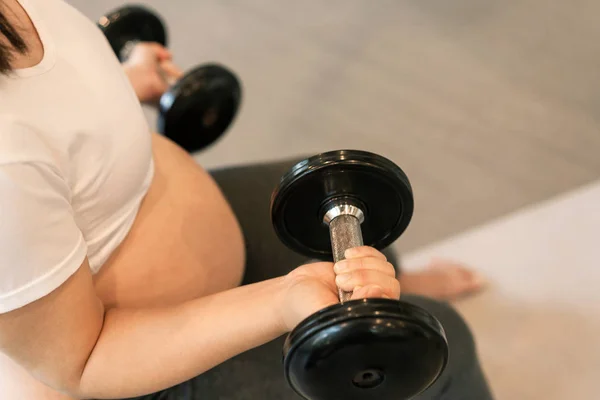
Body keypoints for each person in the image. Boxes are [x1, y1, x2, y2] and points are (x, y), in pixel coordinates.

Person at [0, 0, 492, 399]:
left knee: (352, 217)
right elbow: (82, 361)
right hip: (123, 366)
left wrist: (118, 83)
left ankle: (395, 287)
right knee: (447, 350)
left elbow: (46, 120)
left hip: (164, 208)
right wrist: (282, 300)